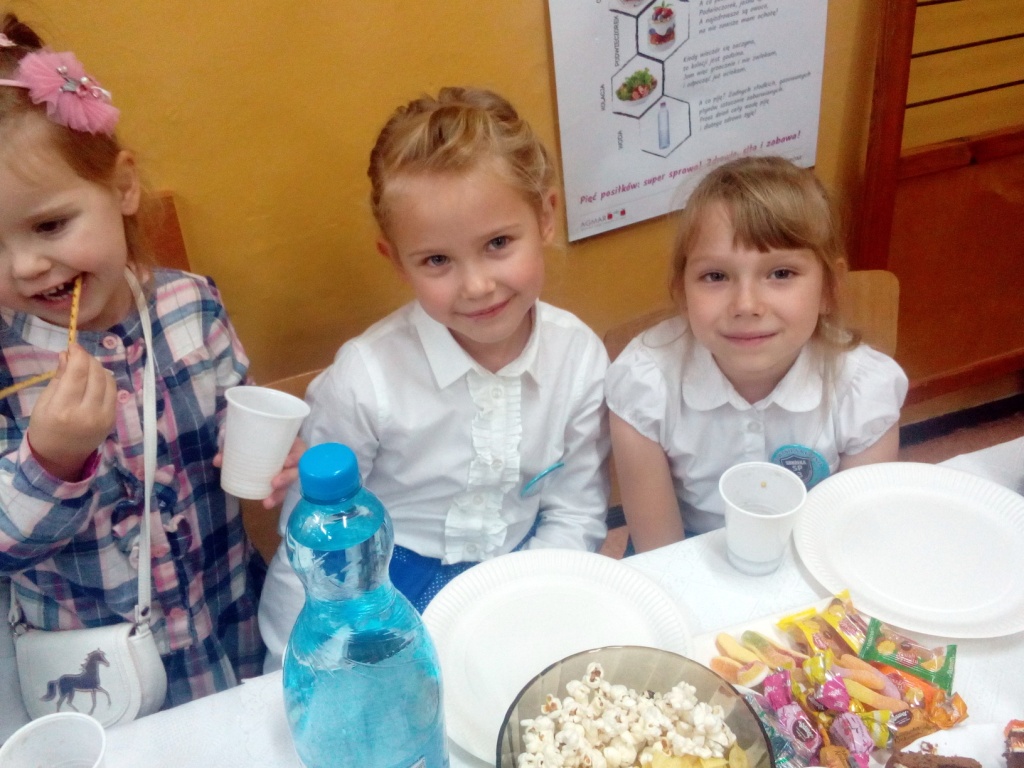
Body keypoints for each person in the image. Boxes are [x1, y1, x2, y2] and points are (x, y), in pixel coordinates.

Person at [0, 14, 298, 707]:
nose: (25, 266)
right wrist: (50, 460)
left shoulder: (191, 305)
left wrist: (274, 455)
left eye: (50, 225)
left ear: (123, 187)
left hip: (227, 625)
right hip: (99, 684)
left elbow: (238, 426)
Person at [258, 86, 610, 670]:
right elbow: (315, 543)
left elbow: (575, 513)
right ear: (397, 261)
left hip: (521, 576)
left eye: (498, 243)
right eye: (438, 261)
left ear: (546, 217)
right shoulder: (365, 380)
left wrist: (526, 608)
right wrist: (291, 665)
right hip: (381, 598)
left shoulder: (578, 358)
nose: (477, 286)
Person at [606, 156, 908, 553]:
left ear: (829, 289)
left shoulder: (864, 390)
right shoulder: (644, 386)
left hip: (809, 549)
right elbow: (661, 554)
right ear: (682, 292)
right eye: (716, 276)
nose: (746, 305)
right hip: (687, 552)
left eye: (781, 273)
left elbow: (849, 543)